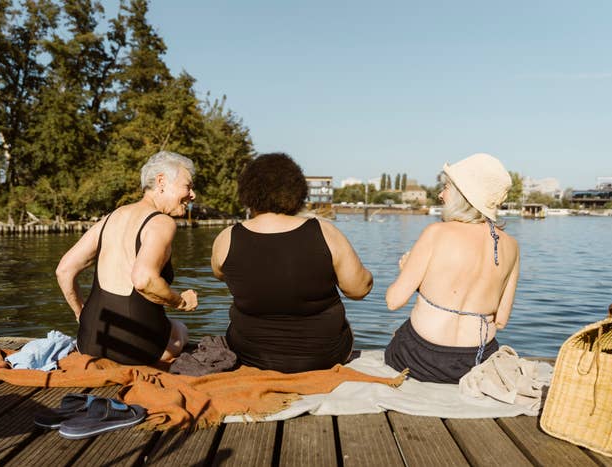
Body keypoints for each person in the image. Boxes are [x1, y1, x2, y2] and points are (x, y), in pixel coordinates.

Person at [211, 153, 373, 373]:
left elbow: (220, 274)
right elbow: (358, 290)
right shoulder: (325, 232)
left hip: (251, 356)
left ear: (247, 190)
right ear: (297, 191)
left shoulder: (226, 238)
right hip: (323, 357)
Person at [384, 153, 520, 383]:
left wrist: (411, 275)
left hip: (422, 358)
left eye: (446, 187)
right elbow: (501, 319)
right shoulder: (511, 246)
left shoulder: (437, 233)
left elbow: (393, 301)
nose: (440, 194)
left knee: (398, 337)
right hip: (477, 360)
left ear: (462, 196)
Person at [56, 151, 199, 365]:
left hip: (88, 343)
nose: (192, 195)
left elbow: (64, 270)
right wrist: (181, 302)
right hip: (132, 351)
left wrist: (80, 313)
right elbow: (144, 279)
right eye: (187, 186)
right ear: (161, 181)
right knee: (180, 330)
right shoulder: (161, 222)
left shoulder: (110, 217)